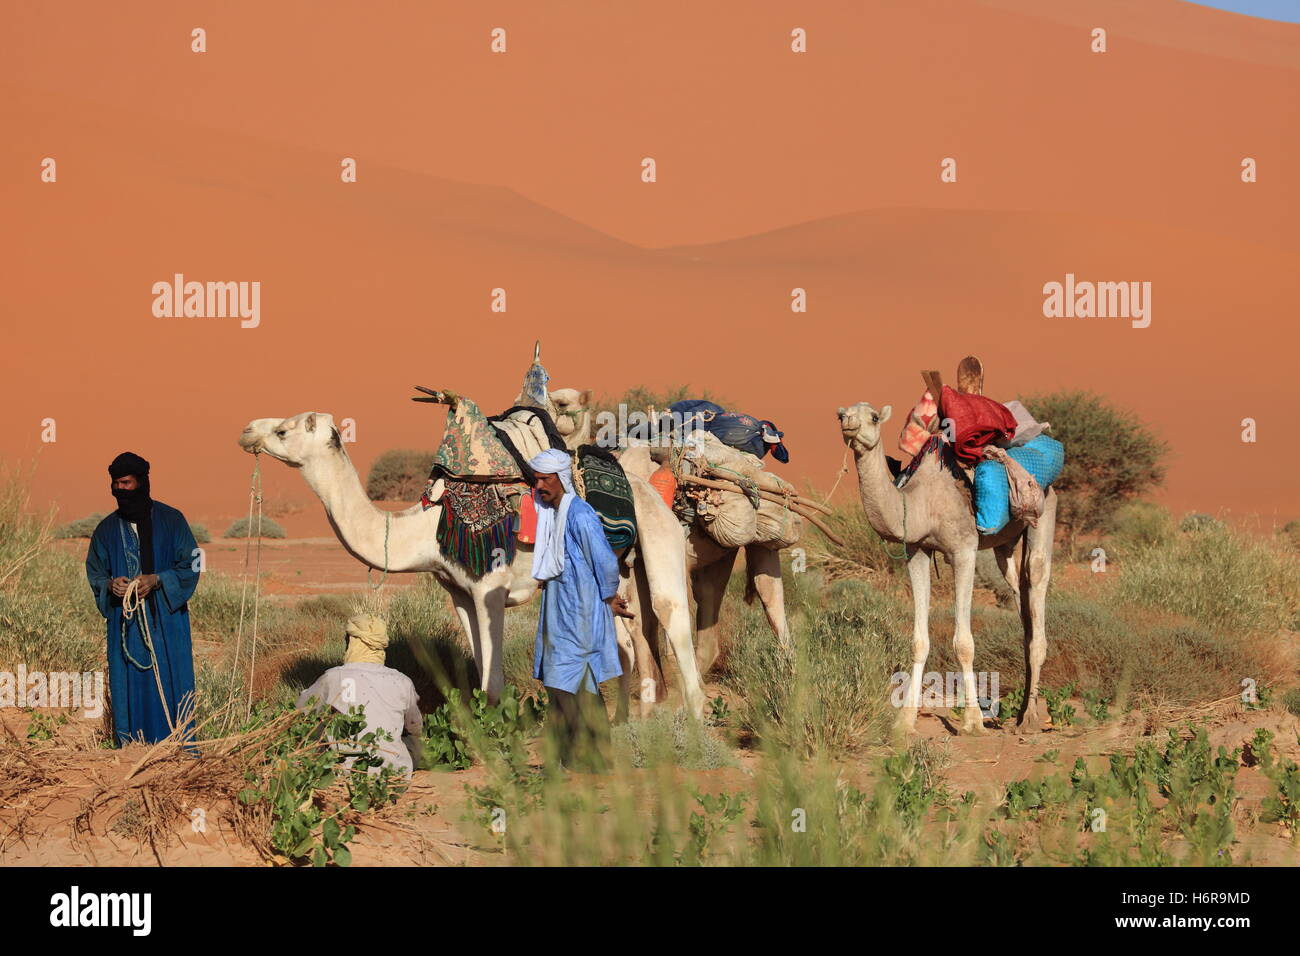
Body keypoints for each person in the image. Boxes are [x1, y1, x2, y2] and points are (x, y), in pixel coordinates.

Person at [527, 448, 634, 773]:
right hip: (560, 611)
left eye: (546, 479)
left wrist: (607, 596)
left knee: (568, 684)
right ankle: (581, 761)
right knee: (571, 685)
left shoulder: (580, 515)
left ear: (561, 479)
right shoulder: (554, 514)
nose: (540, 485)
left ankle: (585, 762)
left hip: (581, 613)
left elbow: (604, 561)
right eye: (537, 479)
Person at [85, 452, 200, 746]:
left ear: (142, 482)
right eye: (116, 484)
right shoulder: (106, 530)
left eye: (126, 483)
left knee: (174, 680)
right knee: (131, 683)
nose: (121, 489)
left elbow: (193, 564)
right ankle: (132, 747)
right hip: (127, 625)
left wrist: (158, 579)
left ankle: (179, 745)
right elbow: (95, 572)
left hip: (168, 621)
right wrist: (111, 585)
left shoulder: (172, 520)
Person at [296, 614, 423, 779]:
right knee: (412, 739)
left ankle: (323, 772)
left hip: (344, 772)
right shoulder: (402, 681)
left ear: (351, 642)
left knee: (316, 724)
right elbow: (415, 728)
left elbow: (301, 709)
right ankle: (397, 771)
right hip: (392, 775)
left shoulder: (334, 676)